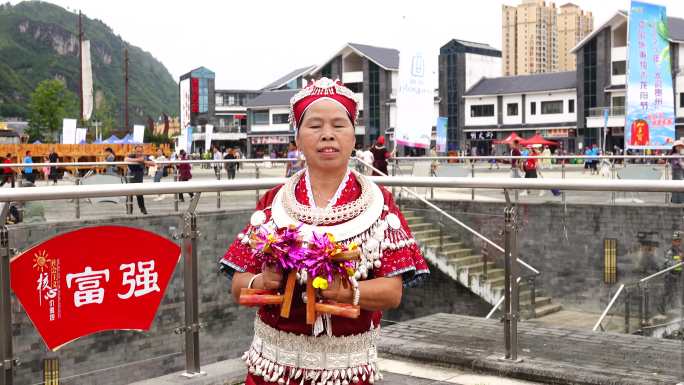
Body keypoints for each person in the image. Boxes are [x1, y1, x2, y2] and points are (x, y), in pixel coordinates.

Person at [219, 78, 428, 385]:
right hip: (273, 368)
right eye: (314, 126)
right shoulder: (274, 201)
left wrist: (347, 292)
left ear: (353, 137)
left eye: (339, 125)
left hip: (346, 371)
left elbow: (392, 293)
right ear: (298, 138)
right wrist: (261, 281)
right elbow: (238, 286)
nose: (327, 134)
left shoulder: (379, 204)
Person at [124, 145, 153, 215]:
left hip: (139, 178)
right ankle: (129, 211)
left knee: (139, 195)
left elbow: (153, 163)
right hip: (131, 177)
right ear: (135, 151)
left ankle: (143, 209)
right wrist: (139, 160)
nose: (139, 153)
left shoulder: (145, 156)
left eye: (140, 151)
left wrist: (145, 162)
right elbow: (125, 159)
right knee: (129, 195)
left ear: (142, 151)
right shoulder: (132, 155)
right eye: (137, 151)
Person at [660, 231, 683, 314]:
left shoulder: (680, 251)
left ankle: (674, 309)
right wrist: (679, 260)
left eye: (679, 240)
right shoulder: (670, 252)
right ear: (672, 241)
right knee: (667, 294)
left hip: (677, 277)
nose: (678, 242)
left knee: (676, 293)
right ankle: (663, 311)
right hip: (670, 277)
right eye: (676, 240)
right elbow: (668, 264)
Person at [670, 140, 684, 204]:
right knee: (678, 186)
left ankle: (676, 200)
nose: (680, 147)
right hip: (677, 172)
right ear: (675, 147)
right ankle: (678, 201)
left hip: (678, 172)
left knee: (677, 186)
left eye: (681, 146)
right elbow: (680, 164)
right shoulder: (675, 155)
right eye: (679, 146)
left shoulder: (678, 154)